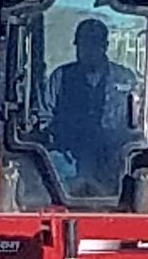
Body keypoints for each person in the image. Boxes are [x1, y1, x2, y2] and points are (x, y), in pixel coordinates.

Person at [45, 16, 138, 189]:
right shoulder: (60, 77)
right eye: (84, 44)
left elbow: (136, 125)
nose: (89, 50)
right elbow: (44, 117)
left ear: (105, 46)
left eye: (95, 44)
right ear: (77, 46)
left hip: (114, 163)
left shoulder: (125, 79)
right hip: (66, 162)